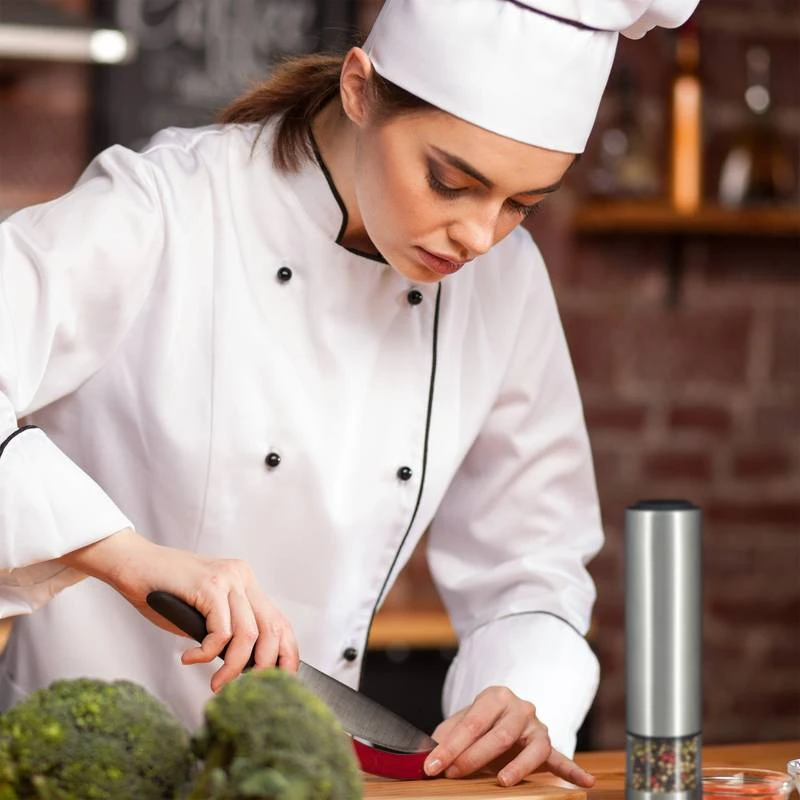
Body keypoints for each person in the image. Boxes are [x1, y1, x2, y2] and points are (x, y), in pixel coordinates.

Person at [0, 0, 698, 788]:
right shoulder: (168, 206)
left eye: (520, 205)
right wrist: (123, 556)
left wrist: (518, 697)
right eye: (451, 181)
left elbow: (532, 564)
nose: (478, 235)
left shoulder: (505, 285)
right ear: (361, 89)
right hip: (76, 765)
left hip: (298, 776)